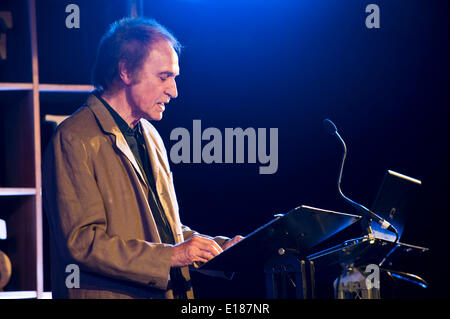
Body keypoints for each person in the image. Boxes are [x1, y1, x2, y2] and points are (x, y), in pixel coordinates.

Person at [42, 17, 243, 299]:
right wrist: (171, 256)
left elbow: (161, 229)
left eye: (174, 78)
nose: (174, 91)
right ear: (125, 70)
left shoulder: (150, 134)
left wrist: (214, 248)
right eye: (164, 77)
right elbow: (82, 242)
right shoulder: (74, 138)